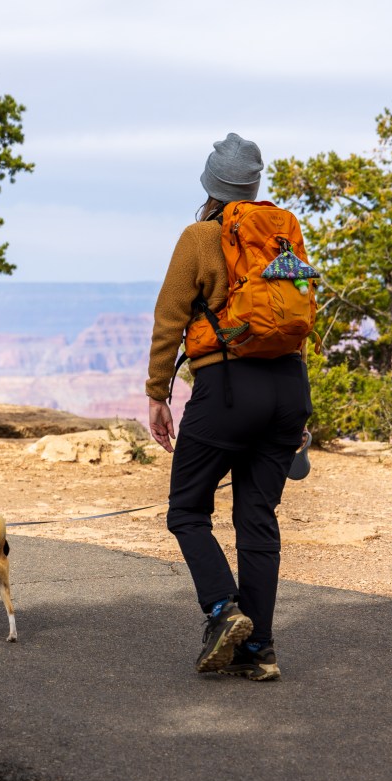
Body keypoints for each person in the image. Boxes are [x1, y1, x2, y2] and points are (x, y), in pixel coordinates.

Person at [147, 133, 312, 680]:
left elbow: (170, 317)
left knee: (186, 510)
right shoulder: (282, 234)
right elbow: (292, 318)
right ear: (252, 185)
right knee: (256, 519)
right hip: (288, 387)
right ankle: (259, 650)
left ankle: (223, 608)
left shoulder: (200, 236)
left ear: (210, 184)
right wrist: (300, 413)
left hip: (229, 389)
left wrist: (157, 393)